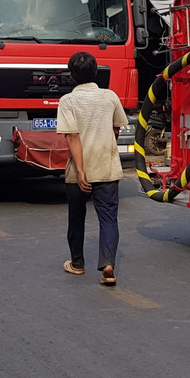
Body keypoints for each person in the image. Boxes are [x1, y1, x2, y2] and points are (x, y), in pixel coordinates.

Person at [57, 51, 126, 286]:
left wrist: (81, 171)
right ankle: (108, 265)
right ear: (96, 72)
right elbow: (116, 129)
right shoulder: (110, 97)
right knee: (108, 217)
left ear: (71, 75)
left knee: (76, 217)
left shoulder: (67, 101)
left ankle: (77, 264)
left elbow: (72, 137)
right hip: (107, 167)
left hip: (79, 171)